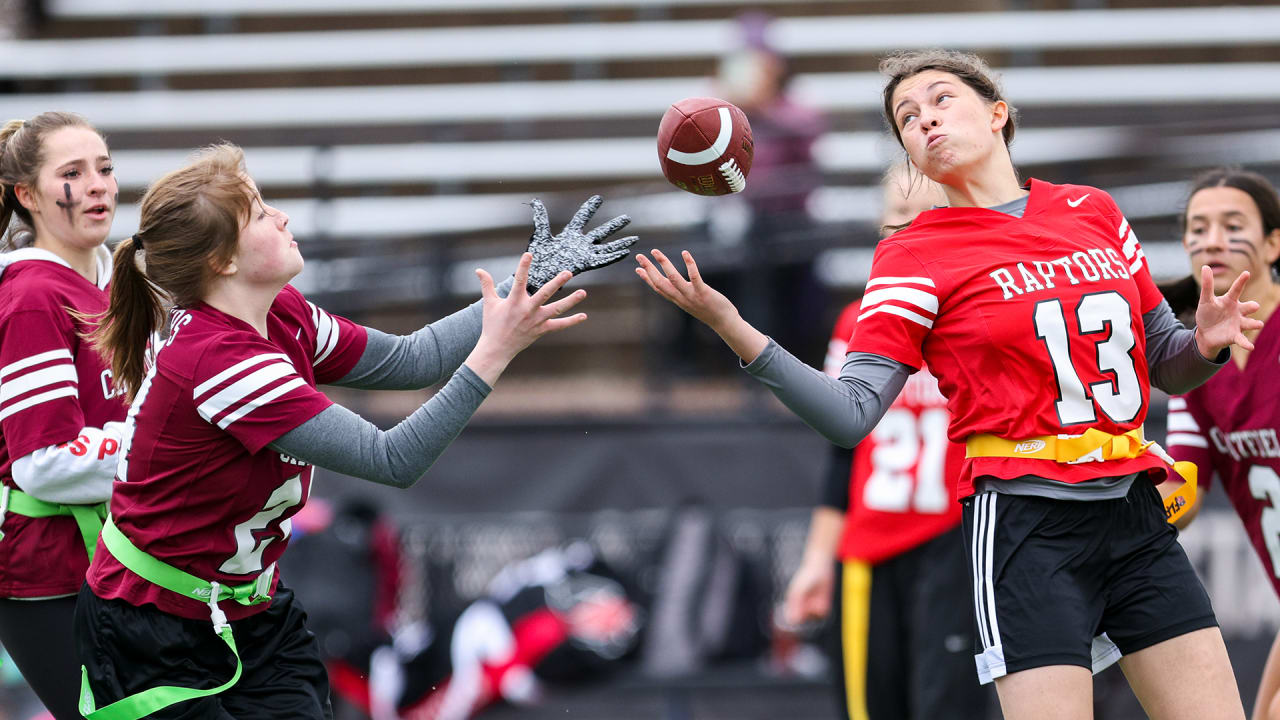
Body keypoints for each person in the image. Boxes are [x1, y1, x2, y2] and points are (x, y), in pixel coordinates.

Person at [635, 49, 1260, 720]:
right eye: (907, 116)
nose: (924, 118)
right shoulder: (913, 252)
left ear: (998, 115)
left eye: (940, 99)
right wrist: (733, 325)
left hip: (1134, 510)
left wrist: (1205, 344)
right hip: (1026, 524)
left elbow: (1164, 361)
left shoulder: (1092, 210)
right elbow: (849, 415)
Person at [74, 142, 637, 720]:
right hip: (151, 626)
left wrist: (528, 283)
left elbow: (412, 359)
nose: (282, 216)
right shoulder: (221, 360)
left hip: (248, 610)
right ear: (223, 262)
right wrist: (495, 352)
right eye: (261, 212)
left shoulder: (279, 313)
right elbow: (394, 459)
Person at [782, 166, 989, 720]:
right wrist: (816, 560)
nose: (908, 237)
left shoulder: (983, 319)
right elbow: (842, 452)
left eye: (925, 221)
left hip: (957, 542)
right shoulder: (858, 321)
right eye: (896, 222)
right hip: (868, 549)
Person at [0, 111, 127, 720]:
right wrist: (169, 457)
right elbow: (43, 463)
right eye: (73, 172)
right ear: (26, 194)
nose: (98, 183)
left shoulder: (114, 286)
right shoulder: (32, 296)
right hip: (44, 576)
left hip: (112, 564)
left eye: (104, 168)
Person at [1159, 168, 1280, 720]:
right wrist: (1133, 509)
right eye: (1198, 226)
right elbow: (1185, 486)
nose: (1212, 239)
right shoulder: (1193, 362)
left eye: (1233, 225)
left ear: (1274, 242)